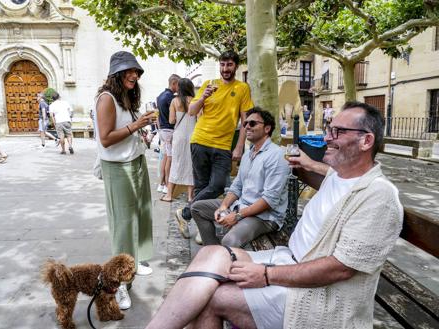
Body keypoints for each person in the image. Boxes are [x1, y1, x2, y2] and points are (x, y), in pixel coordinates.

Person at [146, 101, 403, 329]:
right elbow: (326, 170)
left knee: (211, 296)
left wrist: (266, 275)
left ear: (366, 141)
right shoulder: (340, 174)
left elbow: (340, 270)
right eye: (328, 129)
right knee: (209, 253)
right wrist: (308, 163)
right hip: (287, 260)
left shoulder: (379, 197)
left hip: (321, 296)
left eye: (337, 132)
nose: (326, 138)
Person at [95, 51, 156, 310]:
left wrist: (140, 131)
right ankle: (118, 283)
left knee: (142, 214)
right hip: (118, 167)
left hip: (136, 162)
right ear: (116, 74)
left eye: (137, 71)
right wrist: (136, 125)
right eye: (129, 71)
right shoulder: (107, 98)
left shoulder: (127, 97)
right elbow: (106, 138)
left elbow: (126, 131)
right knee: (123, 223)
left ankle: (136, 259)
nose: (134, 75)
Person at [175, 50, 254, 239]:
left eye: (229, 65)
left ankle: (185, 213)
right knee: (202, 186)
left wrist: (240, 146)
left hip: (223, 145)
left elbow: (246, 120)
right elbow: (192, 112)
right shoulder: (208, 85)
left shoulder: (242, 88)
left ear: (236, 66)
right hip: (200, 140)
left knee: (218, 185)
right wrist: (203, 97)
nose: (225, 69)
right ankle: (203, 229)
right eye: (223, 65)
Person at [192, 108, 289, 248]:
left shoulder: (276, 155)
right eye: (245, 124)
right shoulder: (248, 154)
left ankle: (225, 260)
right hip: (241, 207)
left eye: (253, 123)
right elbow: (237, 186)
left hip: (264, 217)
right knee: (197, 208)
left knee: (229, 241)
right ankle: (213, 251)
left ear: (267, 128)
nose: (247, 126)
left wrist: (237, 215)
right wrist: (224, 206)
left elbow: (269, 200)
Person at [160, 78, 196, 203]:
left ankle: (169, 194)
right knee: (191, 164)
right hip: (193, 134)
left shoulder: (175, 101)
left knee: (176, 163)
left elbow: (171, 121)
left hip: (179, 136)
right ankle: (191, 197)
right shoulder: (195, 101)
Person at [156, 74, 180, 194]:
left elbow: (157, 115)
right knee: (169, 158)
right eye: (178, 84)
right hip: (169, 130)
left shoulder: (160, 96)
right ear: (174, 83)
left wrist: (159, 129)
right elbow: (174, 117)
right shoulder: (171, 97)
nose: (179, 87)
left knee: (164, 158)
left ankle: (161, 184)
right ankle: (166, 185)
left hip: (162, 130)